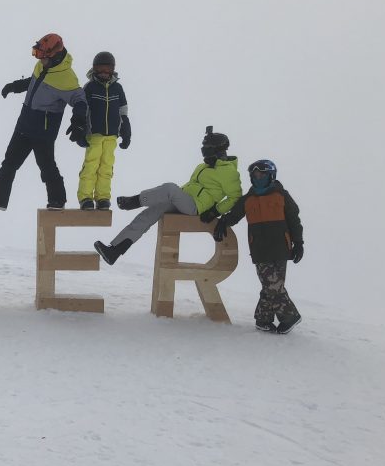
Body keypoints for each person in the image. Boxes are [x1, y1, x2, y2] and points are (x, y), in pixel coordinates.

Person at [94, 126, 242, 265]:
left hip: (197, 208)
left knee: (170, 188)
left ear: (216, 150)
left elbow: (235, 197)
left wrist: (215, 212)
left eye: (207, 148)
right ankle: (114, 251)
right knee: (148, 214)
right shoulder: (203, 166)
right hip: (186, 201)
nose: (203, 151)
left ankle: (134, 201)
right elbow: (193, 186)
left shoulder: (229, 171)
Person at [0, 33, 88, 211]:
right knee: (9, 163)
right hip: (24, 124)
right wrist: (15, 86)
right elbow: (35, 81)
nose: (38, 59)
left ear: (54, 55)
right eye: (36, 54)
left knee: (46, 166)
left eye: (41, 55)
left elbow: (79, 100)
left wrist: (78, 122)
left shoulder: (66, 77)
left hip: (43, 131)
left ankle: (57, 200)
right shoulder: (42, 66)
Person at [213, 159, 304, 334]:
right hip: (260, 250)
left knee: (272, 286)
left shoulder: (281, 195)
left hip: (281, 248)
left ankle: (263, 320)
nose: (258, 177)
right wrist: (223, 222)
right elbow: (234, 215)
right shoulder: (248, 199)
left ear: (271, 175)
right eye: (254, 175)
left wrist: (298, 242)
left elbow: (294, 220)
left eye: (261, 174)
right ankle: (290, 316)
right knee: (273, 285)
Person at [76, 51, 131, 210]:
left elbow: (123, 109)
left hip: (111, 136)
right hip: (95, 134)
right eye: (100, 69)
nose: (104, 73)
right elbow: (83, 108)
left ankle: (103, 197)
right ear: (94, 69)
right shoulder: (90, 87)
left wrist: (125, 128)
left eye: (108, 69)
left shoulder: (118, 88)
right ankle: (85, 197)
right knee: (91, 166)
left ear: (113, 69)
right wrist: (81, 128)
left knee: (107, 167)